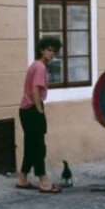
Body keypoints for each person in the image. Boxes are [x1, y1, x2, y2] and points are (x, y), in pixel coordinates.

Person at [15, 36, 63, 193]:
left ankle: (22, 179)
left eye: (54, 51)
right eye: (49, 50)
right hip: (32, 109)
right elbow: (36, 89)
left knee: (30, 146)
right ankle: (43, 182)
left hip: (26, 110)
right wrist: (39, 109)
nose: (51, 54)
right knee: (39, 147)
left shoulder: (37, 65)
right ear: (42, 49)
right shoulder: (40, 67)